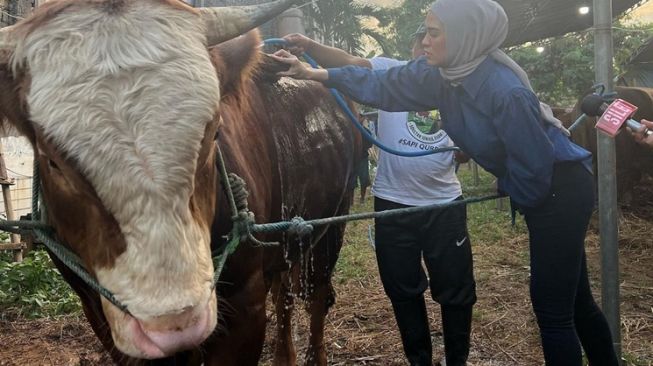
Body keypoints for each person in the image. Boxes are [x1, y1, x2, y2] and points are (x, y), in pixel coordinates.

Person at [271, 0, 620, 365]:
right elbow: (382, 82)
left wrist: (510, 188)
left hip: (558, 191)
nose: (425, 41)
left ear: (464, 38)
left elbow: (534, 171)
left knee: (552, 310)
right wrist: (315, 74)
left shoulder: (504, 90)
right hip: (542, 185)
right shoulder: (446, 75)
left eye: (434, 34)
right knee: (575, 300)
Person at [283, 26, 475, 366]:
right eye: (422, 42)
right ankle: (420, 361)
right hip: (393, 205)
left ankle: (457, 360)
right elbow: (351, 62)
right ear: (414, 47)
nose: (426, 50)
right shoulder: (392, 71)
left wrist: (466, 149)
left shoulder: (457, 81)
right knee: (402, 290)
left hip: (445, 203)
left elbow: (474, 135)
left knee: (456, 292)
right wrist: (311, 44)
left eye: (434, 42)